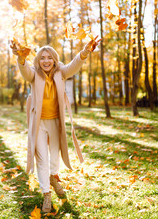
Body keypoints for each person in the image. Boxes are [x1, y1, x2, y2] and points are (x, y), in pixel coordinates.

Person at [11, 36, 101, 213]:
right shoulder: (34, 74)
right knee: (42, 159)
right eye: (42, 58)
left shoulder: (61, 73)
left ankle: (53, 177)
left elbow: (75, 64)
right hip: (39, 123)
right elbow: (24, 69)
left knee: (54, 157)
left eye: (49, 57)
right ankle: (46, 193)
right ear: (38, 60)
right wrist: (20, 57)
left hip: (55, 122)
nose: (46, 61)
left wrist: (85, 51)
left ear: (54, 59)